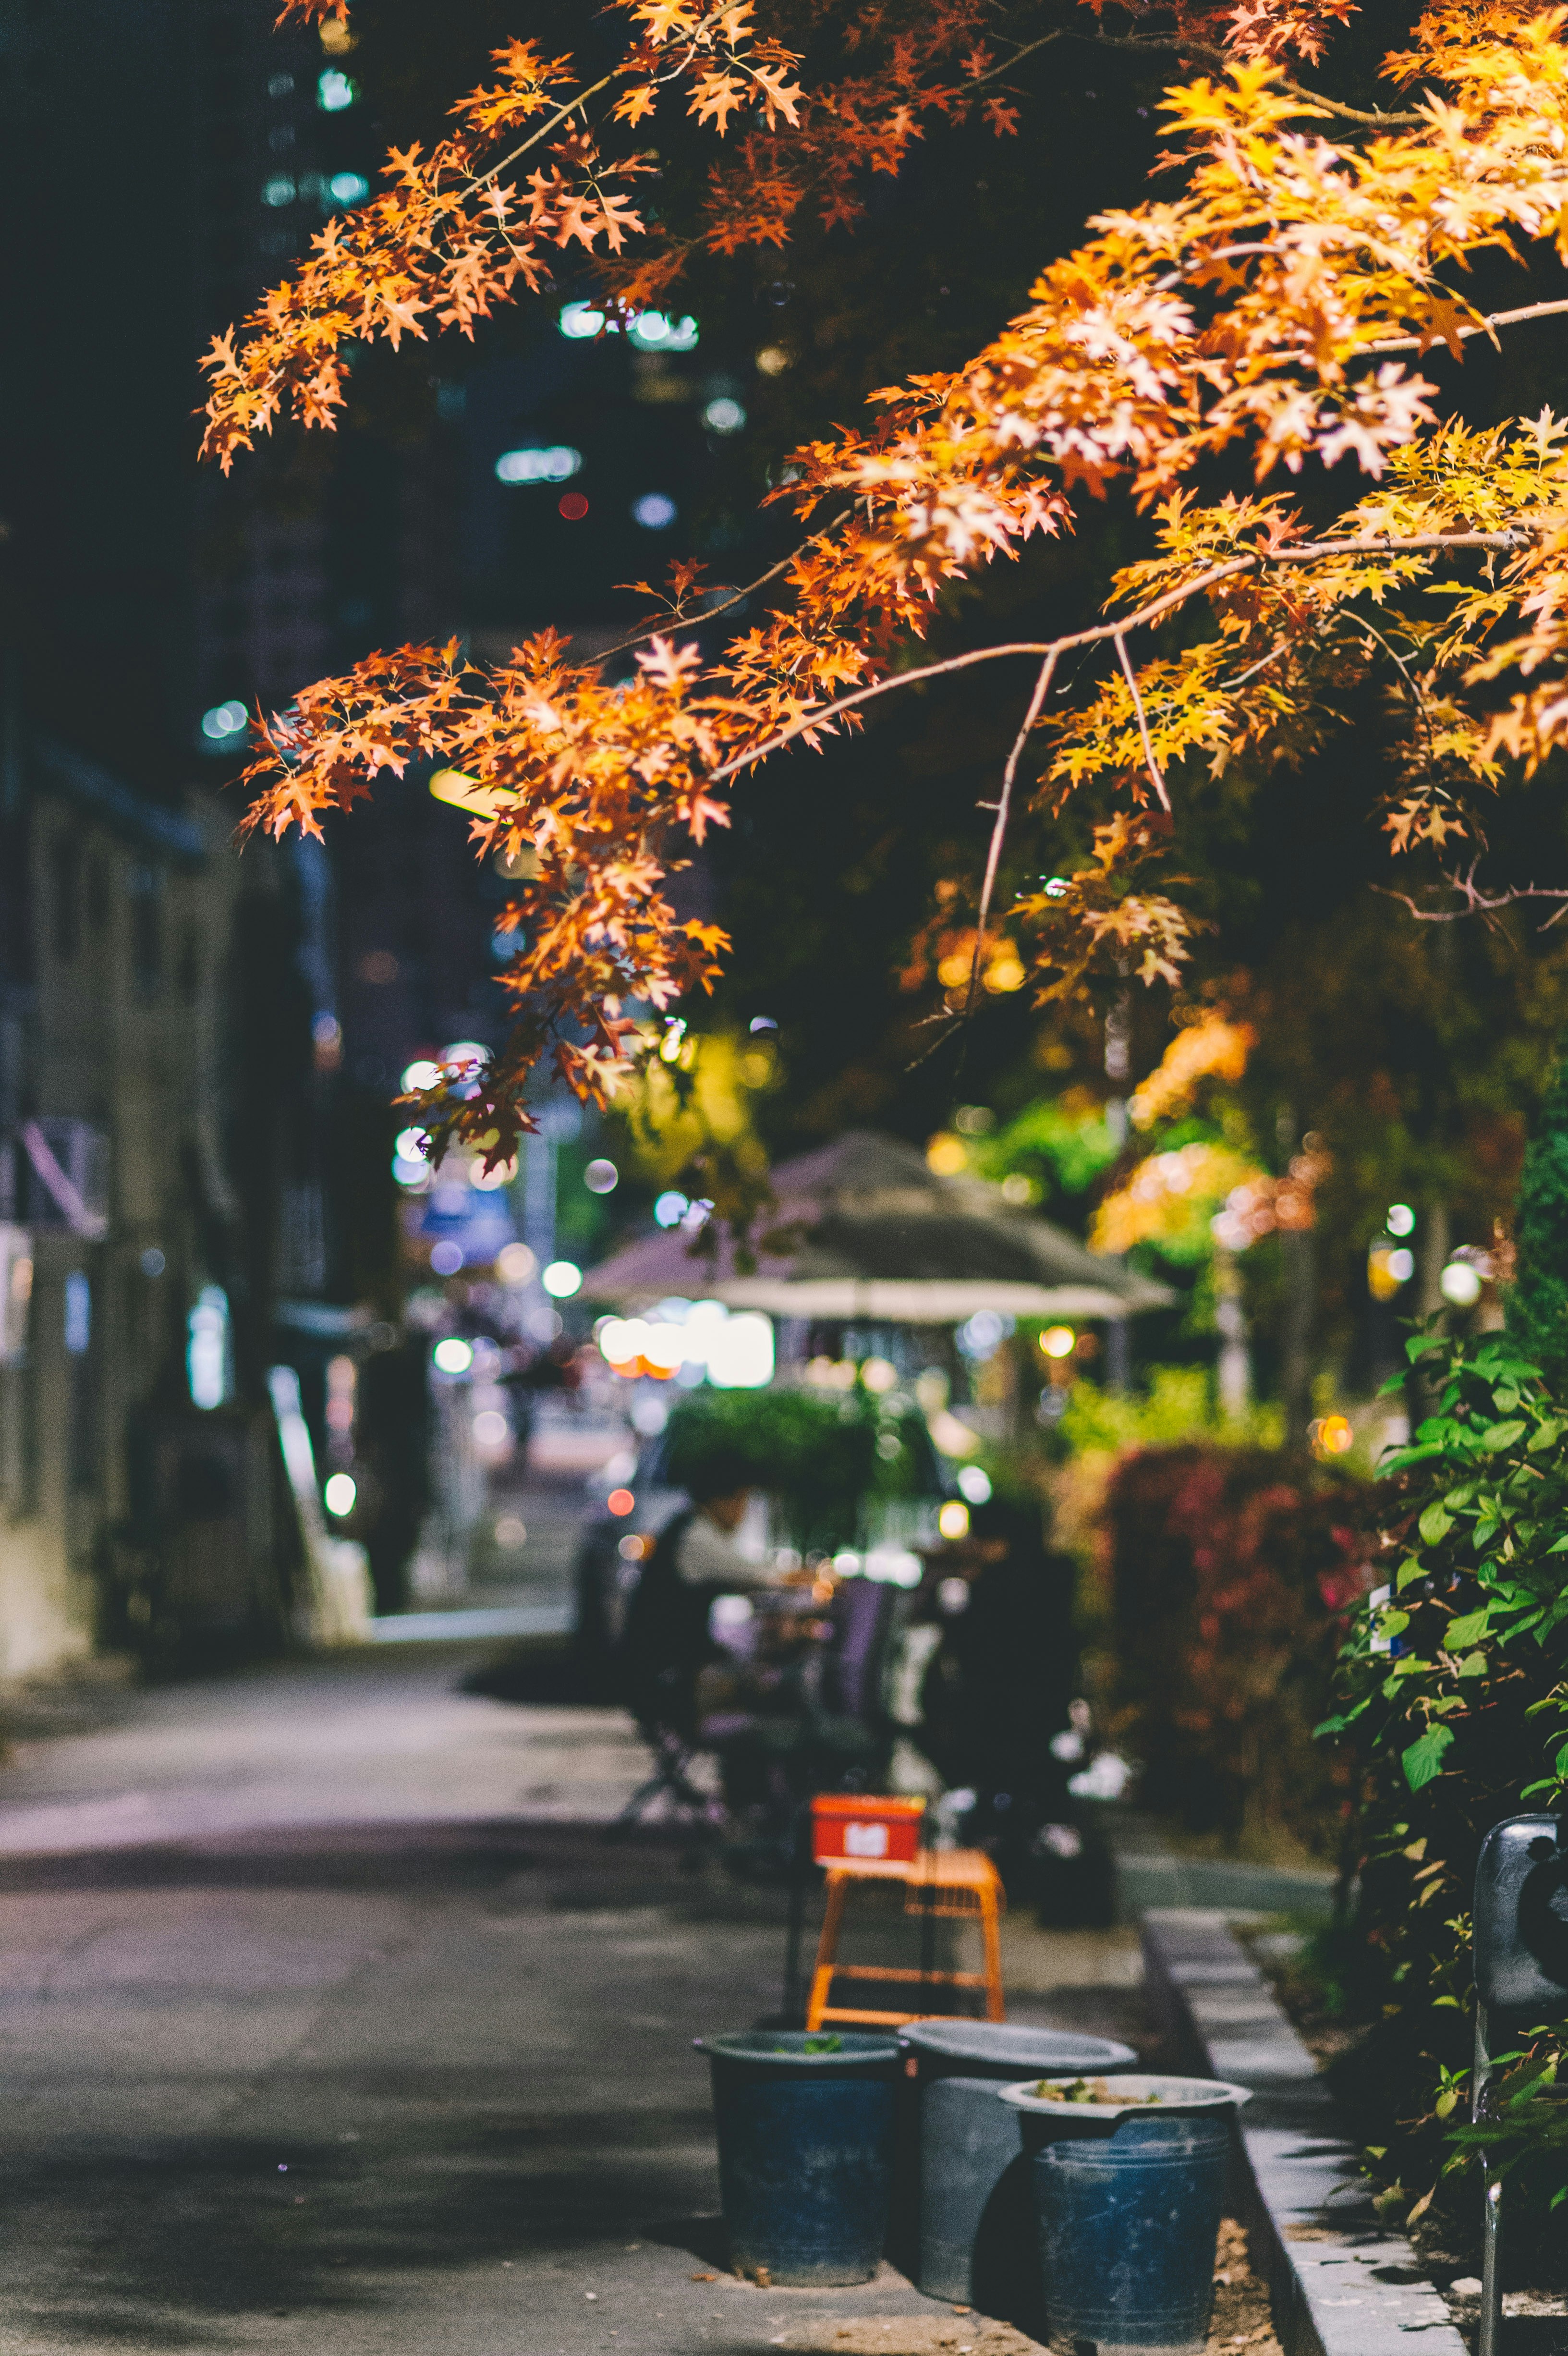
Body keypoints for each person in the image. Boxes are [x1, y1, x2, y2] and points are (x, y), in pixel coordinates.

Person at [616, 1448, 777, 1737]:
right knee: (773, 1685)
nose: (744, 1514)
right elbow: (758, 1576)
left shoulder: (685, 1526)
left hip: (656, 1670)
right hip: (670, 1677)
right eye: (744, 1501)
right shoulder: (697, 1536)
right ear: (722, 1500)